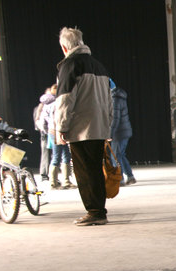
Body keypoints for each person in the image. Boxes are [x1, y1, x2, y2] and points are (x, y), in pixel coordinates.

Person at [54, 27, 112, 226]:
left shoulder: (70, 66)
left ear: (64, 47)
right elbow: (109, 99)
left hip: (81, 129)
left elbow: (64, 100)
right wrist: (107, 124)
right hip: (99, 126)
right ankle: (98, 210)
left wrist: (61, 127)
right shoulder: (98, 66)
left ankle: (95, 211)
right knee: (95, 169)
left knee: (85, 172)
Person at [40, 83, 76, 190]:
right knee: (62, 155)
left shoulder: (46, 104)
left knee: (60, 155)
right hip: (59, 131)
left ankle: (58, 182)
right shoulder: (58, 103)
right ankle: (59, 182)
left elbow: (43, 120)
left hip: (52, 131)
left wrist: (47, 130)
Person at [110, 80, 135, 186]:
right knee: (121, 154)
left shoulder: (115, 99)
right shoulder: (119, 97)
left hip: (119, 132)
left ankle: (119, 179)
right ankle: (130, 176)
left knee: (115, 156)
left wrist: (110, 133)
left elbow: (115, 118)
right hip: (124, 131)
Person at [34, 87, 52, 182]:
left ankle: (50, 175)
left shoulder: (51, 105)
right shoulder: (40, 107)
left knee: (55, 154)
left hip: (50, 132)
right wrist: (44, 129)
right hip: (47, 133)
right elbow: (37, 121)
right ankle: (44, 174)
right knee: (46, 154)